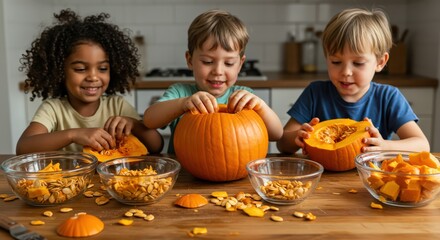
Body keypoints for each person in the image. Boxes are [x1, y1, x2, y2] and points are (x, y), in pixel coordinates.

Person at [277, 8, 430, 154]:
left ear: (380, 62)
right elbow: (282, 144)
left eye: (358, 63)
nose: (346, 72)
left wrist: (385, 146)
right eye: (336, 62)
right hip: (324, 178)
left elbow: (422, 145)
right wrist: (297, 136)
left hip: (370, 178)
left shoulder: (388, 97)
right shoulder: (315, 93)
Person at [16, 9, 163, 155]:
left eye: (103, 68)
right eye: (80, 69)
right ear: (60, 72)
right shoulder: (53, 109)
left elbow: (157, 146)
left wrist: (134, 124)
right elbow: (23, 148)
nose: (93, 77)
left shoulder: (118, 105)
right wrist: (73, 135)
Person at [143, 9, 283, 153]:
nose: (218, 71)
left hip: (236, 172)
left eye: (229, 63)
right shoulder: (180, 92)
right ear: (190, 60)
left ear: (240, 64)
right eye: (207, 61)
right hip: (184, 173)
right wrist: (183, 103)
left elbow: (276, 134)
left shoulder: (244, 96)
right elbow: (149, 120)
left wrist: (260, 106)